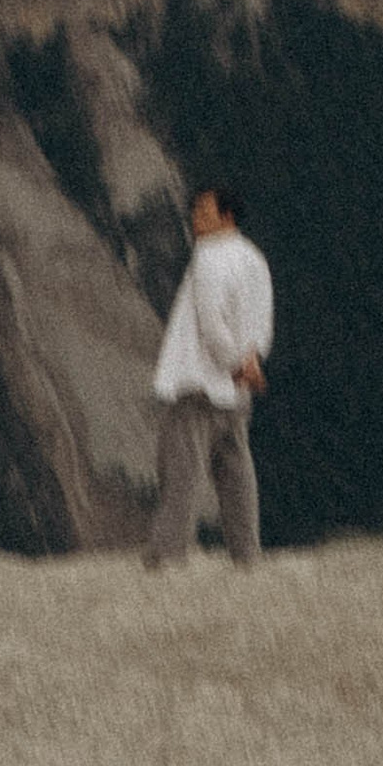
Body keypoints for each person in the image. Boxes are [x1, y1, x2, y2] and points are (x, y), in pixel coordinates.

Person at [142, 184, 273, 569]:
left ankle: (168, 553)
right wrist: (251, 362)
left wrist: (233, 363)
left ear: (226, 217)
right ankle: (246, 554)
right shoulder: (253, 258)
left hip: (198, 381)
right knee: (236, 470)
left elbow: (211, 325)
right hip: (237, 389)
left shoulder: (208, 259)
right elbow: (262, 318)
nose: (195, 217)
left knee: (181, 470)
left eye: (204, 211)